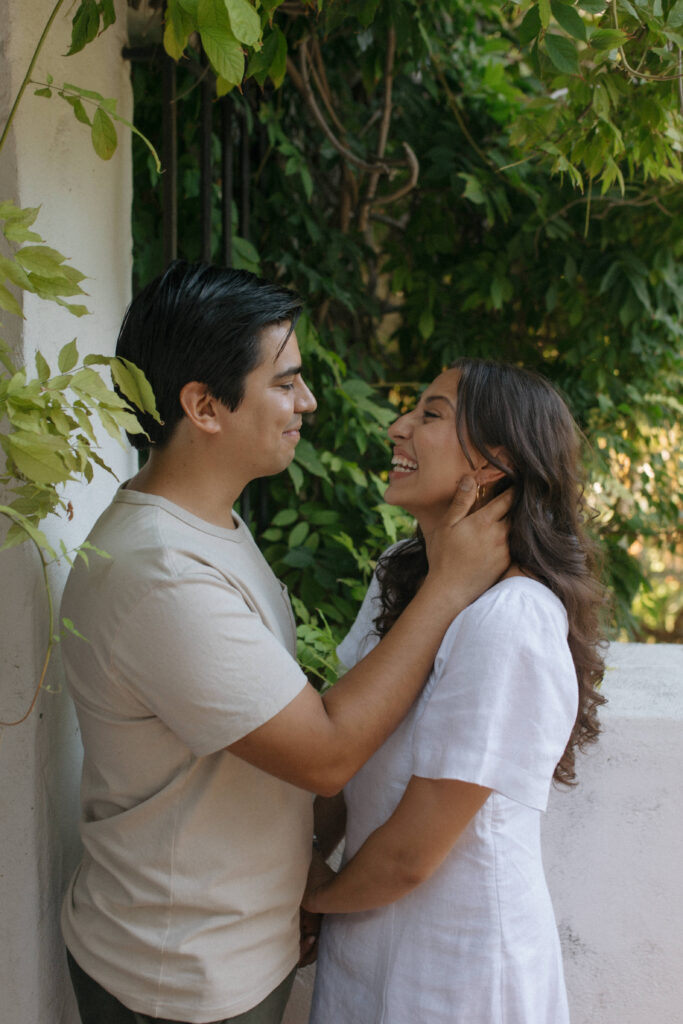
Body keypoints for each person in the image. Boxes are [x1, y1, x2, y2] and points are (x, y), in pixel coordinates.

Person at [59, 262, 512, 1024]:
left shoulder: (211, 525)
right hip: (179, 978)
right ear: (204, 406)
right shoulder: (163, 575)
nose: (306, 401)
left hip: (226, 944)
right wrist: (448, 585)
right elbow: (325, 752)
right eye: (284, 382)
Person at [304, 358, 607, 1024]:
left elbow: (411, 854)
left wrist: (308, 900)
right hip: (366, 937)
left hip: (459, 969)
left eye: (430, 415)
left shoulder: (512, 617)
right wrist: (304, 863)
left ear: (492, 466)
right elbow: (343, 743)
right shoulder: (399, 574)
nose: (396, 428)